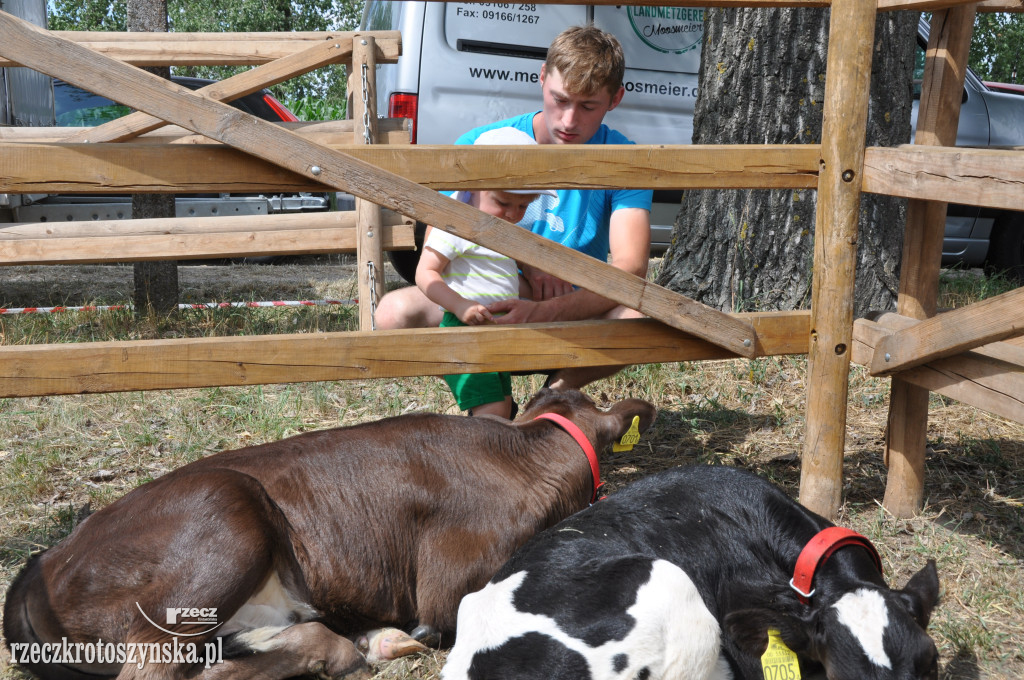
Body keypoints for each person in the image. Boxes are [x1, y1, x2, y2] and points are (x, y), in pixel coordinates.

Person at [377, 24, 652, 390]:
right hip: (482, 297)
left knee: (634, 319)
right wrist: (528, 259)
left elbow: (630, 269)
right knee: (393, 313)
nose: (569, 120)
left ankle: (547, 408)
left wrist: (545, 310)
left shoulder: (624, 160)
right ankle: (479, 392)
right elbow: (440, 242)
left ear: (615, 99)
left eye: (588, 106)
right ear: (541, 78)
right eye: (560, 99)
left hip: (571, 309)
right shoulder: (480, 145)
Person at [415, 127, 557, 419]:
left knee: (501, 408)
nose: (513, 213)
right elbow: (425, 272)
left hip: (493, 329)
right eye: (503, 202)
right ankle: (477, 460)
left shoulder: (503, 230)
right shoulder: (458, 224)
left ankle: (484, 457)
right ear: (474, 188)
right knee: (491, 412)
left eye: (523, 205)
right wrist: (460, 305)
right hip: (463, 329)